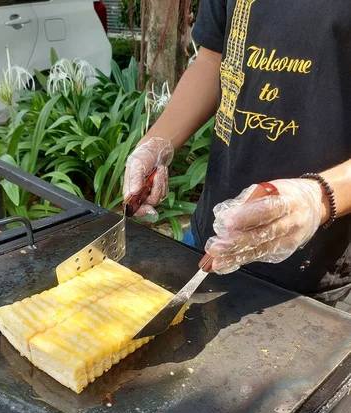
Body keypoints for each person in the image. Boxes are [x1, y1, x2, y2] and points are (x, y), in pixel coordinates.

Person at [123, 0, 351, 305]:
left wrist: (318, 198)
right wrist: (157, 142)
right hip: (208, 240)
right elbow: (213, 58)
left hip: (309, 272)